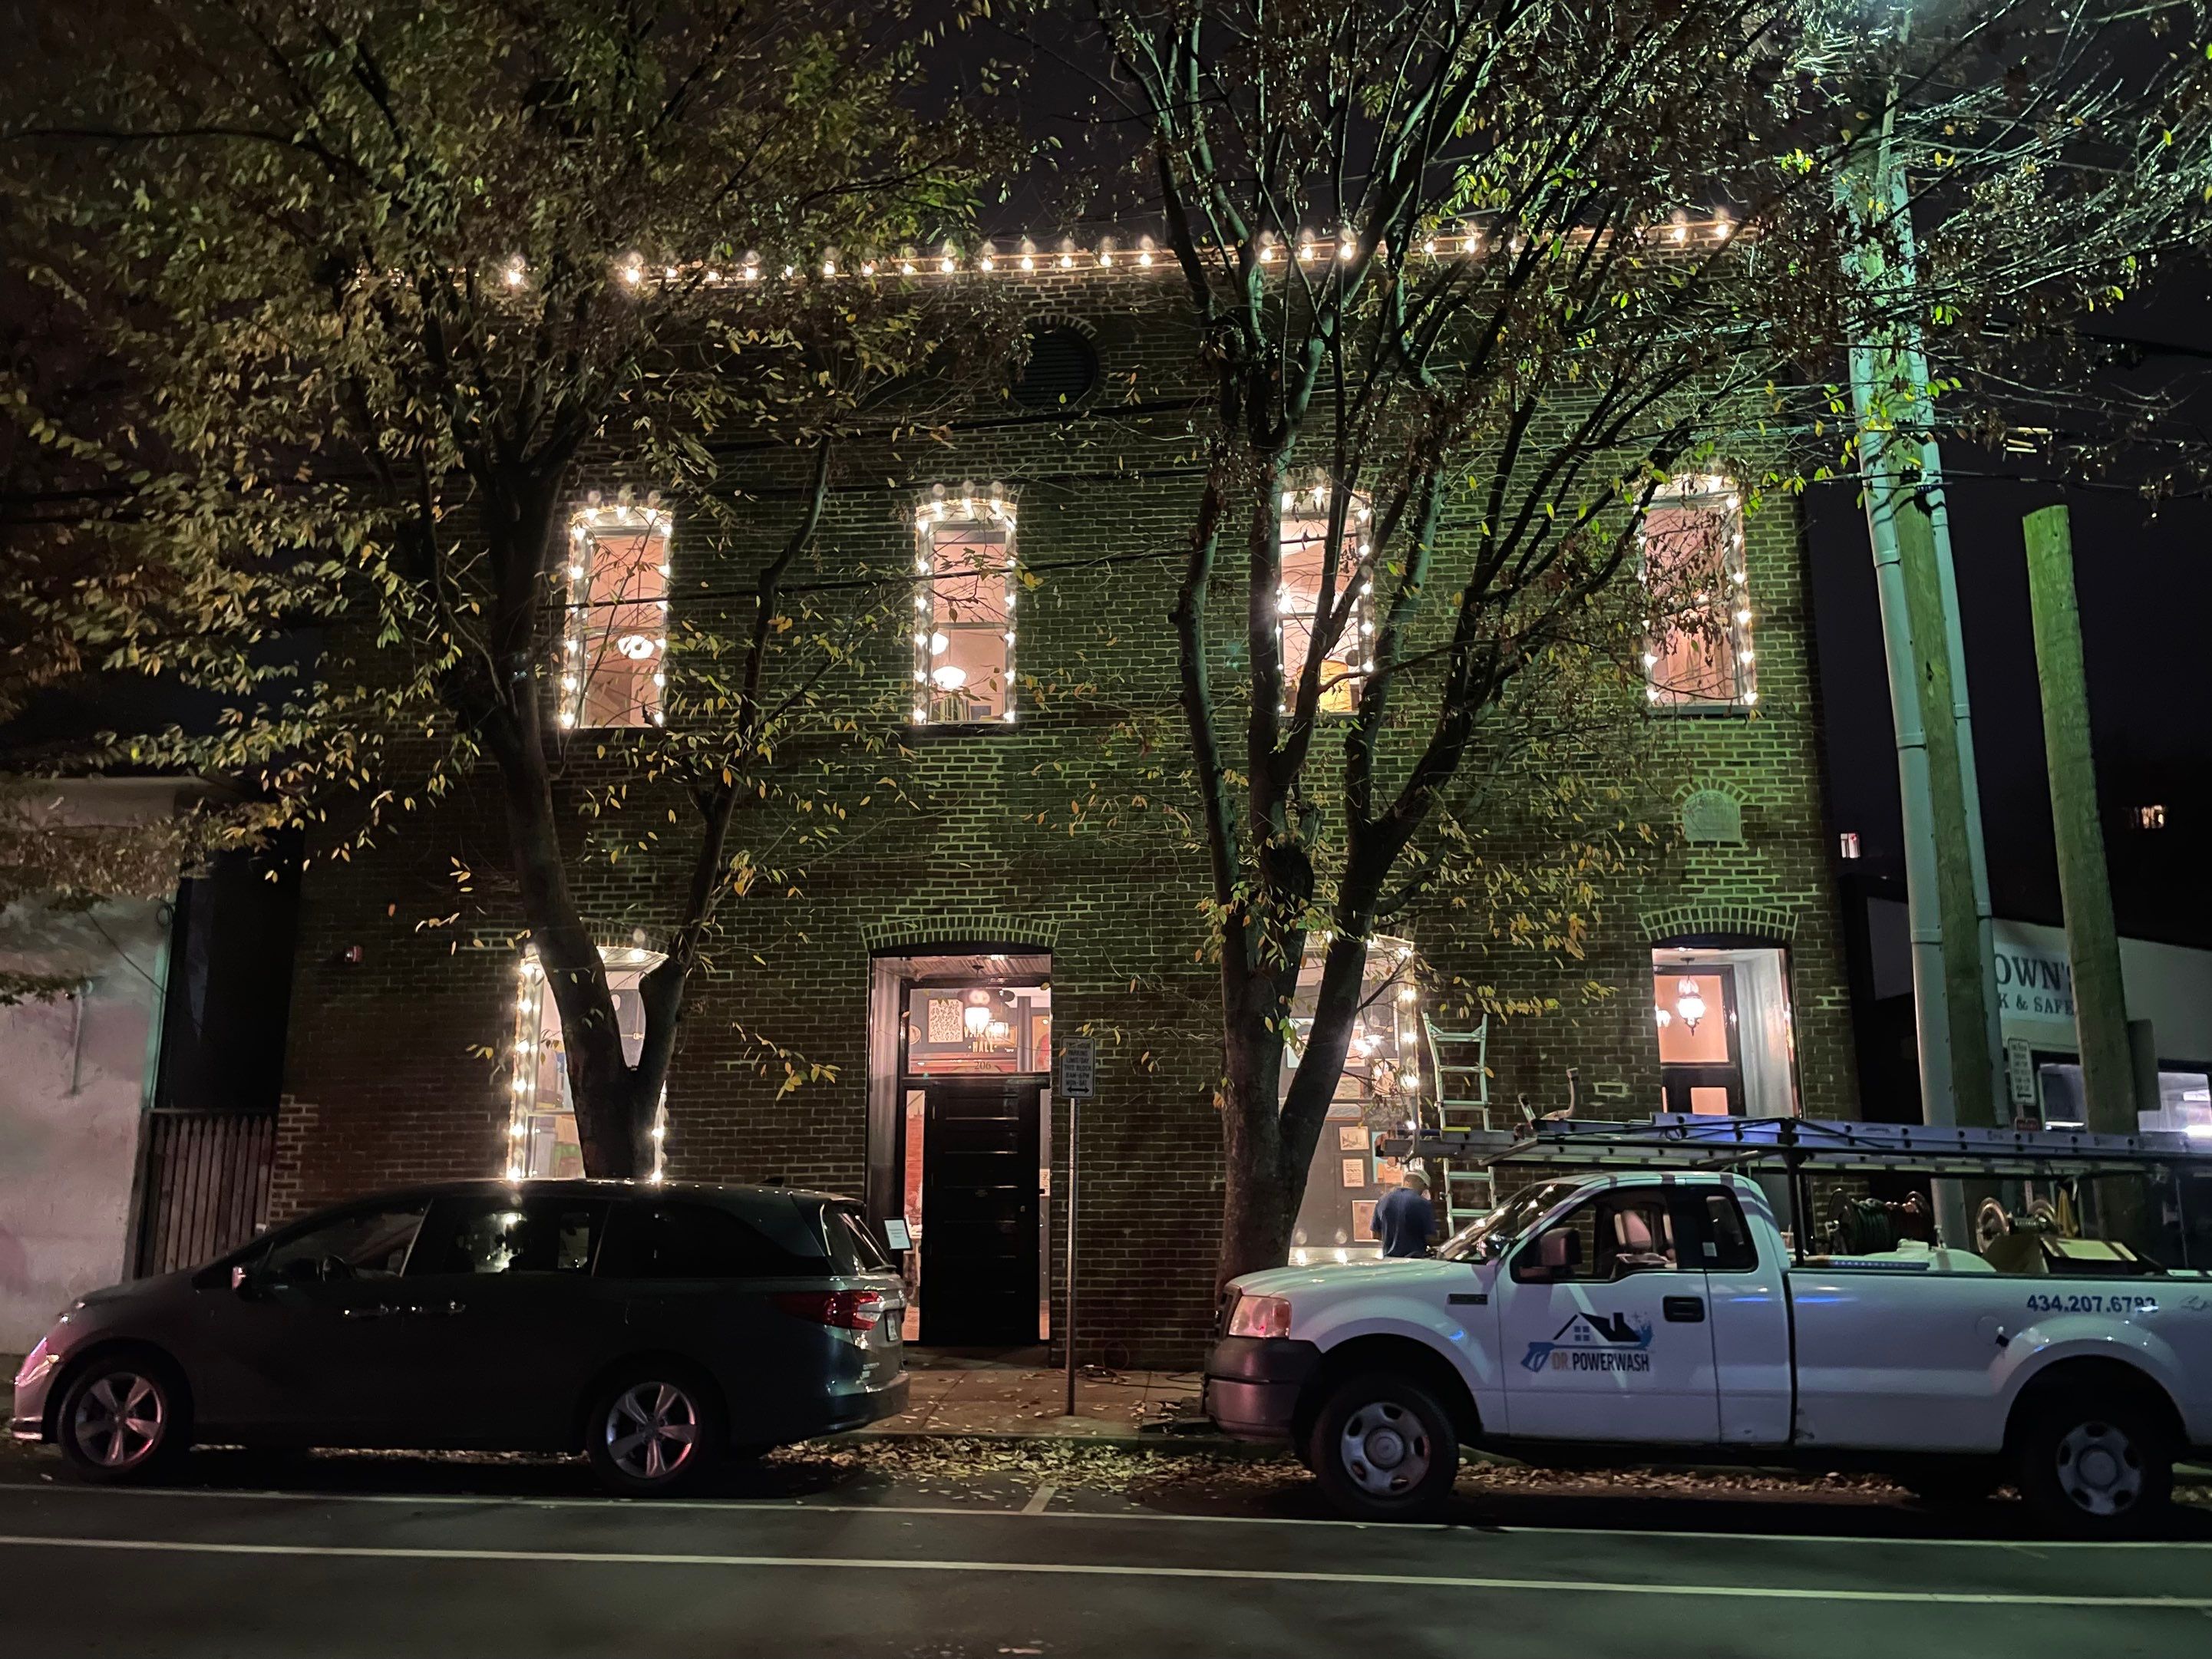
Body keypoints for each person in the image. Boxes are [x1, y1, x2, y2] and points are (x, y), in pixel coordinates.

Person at [1373, 1170, 1437, 1258]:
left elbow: (1376, 1234)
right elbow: (1430, 1238)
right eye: (1425, 1187)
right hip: (1414, 1261)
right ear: (1420, 1182)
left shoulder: (1383, 1200)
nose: (1423, 1191)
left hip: (1389, 1260)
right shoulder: (1423, 1203)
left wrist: (1393, 1239)